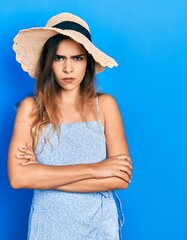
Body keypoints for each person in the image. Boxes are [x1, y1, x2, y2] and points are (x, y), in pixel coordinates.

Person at [8, 12, 133, 240]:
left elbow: (120, 178)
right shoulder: (31, 109)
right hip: (49, 228)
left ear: (88, 61)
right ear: (48, 62)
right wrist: (95, 170)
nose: (68, 68)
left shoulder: (105, 106)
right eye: (59, 58)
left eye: (77, 58)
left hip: (99, 228)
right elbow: (18, 177)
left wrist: (43, 177)